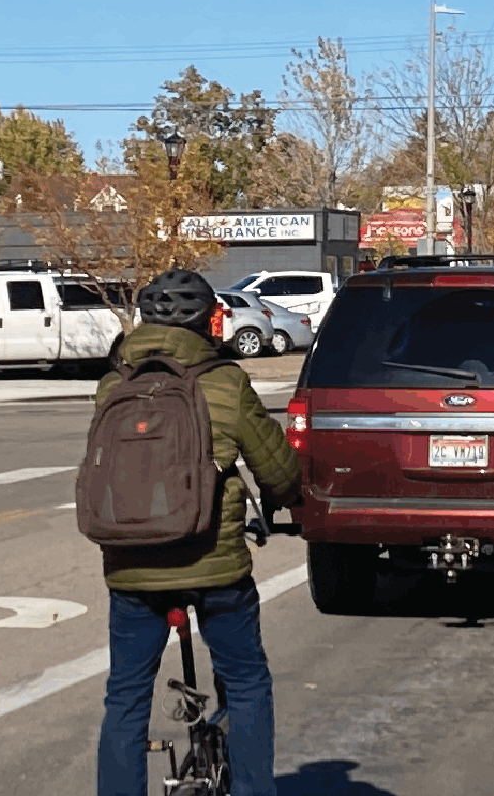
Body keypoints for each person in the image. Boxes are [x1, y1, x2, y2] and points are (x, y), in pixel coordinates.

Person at [96, 269, 303, 796]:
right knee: (248, 682)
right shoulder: (225, 380)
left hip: (132, 566)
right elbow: (275, 469)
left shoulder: (113, 382)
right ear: (205, 321)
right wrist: (285, 501)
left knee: (125, 697)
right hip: (214, 564)